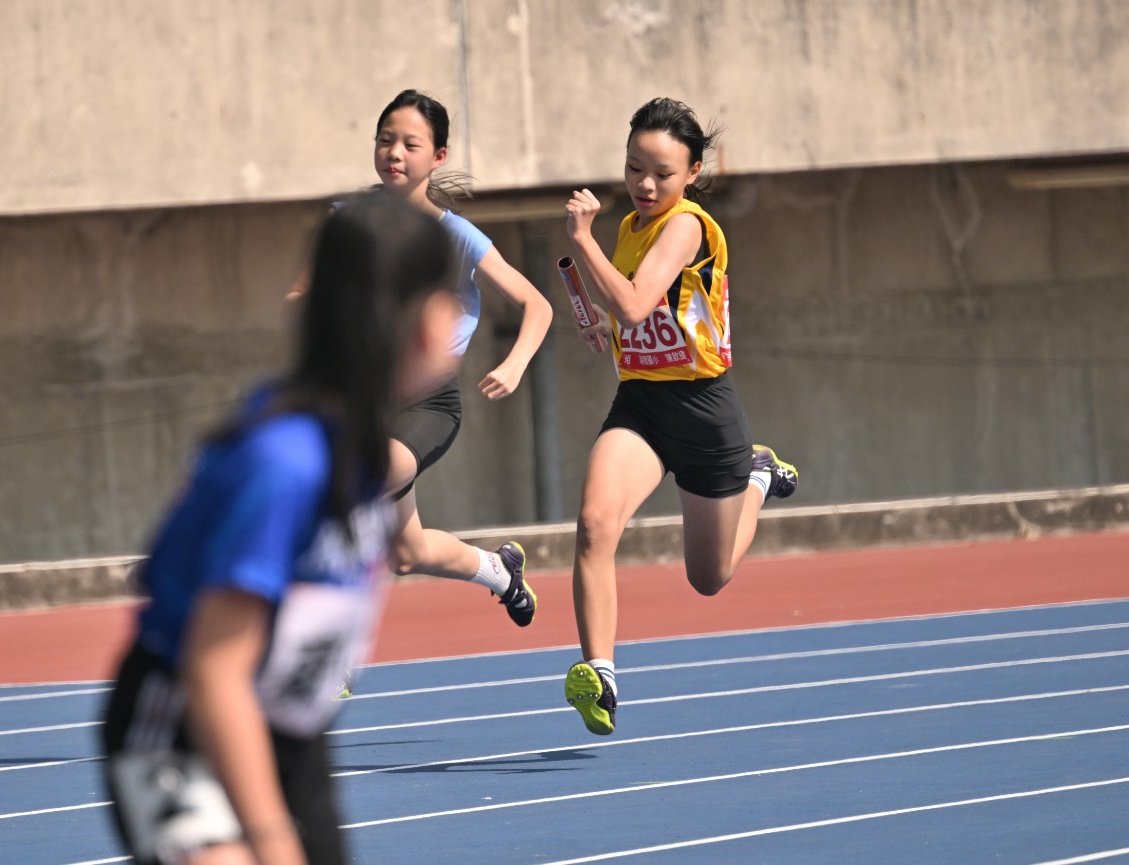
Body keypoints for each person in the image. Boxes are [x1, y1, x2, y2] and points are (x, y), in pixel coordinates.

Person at [102, 193, 463, 865]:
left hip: (285, 730)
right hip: (177, 731)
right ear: (415, 320)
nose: (458, 319)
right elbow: (214, 672)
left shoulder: (356, 447)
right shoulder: (287, 462)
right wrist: (271, 841)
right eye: (448, 299)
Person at [560, 97, 799, 736]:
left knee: (709, 578)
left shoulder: (688, 226)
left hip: (704, 410)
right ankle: (601, 675)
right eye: (634, 168)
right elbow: (638, 316)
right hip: (641, 403)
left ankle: (757, 476)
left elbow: (637, 303)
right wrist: (606, 327)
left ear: (692, 173)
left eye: (662, 173)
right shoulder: (629, 228)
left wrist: (582, 241)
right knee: (594, 524)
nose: (644, 184)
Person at [290, 90, 554, 632]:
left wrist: (514, 363)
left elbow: (537, 304)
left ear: (438, 157)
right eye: (385, 140)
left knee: (354, 484)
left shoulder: (458, 236)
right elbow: (298, 297)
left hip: (426, 404)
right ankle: (500, 571)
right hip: (361, 397)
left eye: (410, 144)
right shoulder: (346, 221)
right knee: (408, 554)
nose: (394, 153)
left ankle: (321, 637)